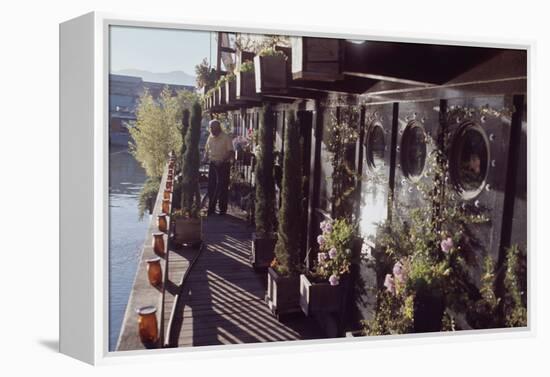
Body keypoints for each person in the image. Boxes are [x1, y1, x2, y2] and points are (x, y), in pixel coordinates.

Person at [203, 119, 234, 215]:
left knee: (223, 187)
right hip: (213, 164)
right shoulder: (210, 137)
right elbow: (207, 151)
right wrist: (204, 160)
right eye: (211, 128)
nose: (212, 130)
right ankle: (211, 209)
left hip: (223, 165)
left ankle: (222, 210)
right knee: (211, 186)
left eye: (213, 128)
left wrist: (223, 160)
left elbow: (230, 152)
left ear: (218, 128)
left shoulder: (226, 138)